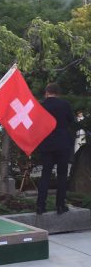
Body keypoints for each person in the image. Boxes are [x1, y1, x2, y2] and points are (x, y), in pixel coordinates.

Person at [36, 83, 74, 215]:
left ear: (47, 92)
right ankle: (60, 205)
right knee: (62, 175)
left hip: (46, 144)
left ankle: (40, 206)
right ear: (58, 93)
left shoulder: (41, 105)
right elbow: (71, 120)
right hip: (63, 143)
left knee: (45, 174)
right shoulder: (65, 104)